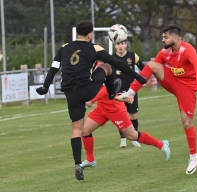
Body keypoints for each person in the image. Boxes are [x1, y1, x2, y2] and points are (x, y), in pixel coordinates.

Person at [35, 21, 146, 181]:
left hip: (69, 92)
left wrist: (45, 87)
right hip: (88, 90)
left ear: (77, 33)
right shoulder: (94, 48)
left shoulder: (64, 47)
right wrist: (138, 77)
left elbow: (54, 67)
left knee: (76, 130)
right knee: (107, 67)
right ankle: (110, 92)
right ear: (89, 34)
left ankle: (78, 164)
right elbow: (118, 63)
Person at [115, 24, 197, 175]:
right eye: (163, 37)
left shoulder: (187, 49)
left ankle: (193, 157)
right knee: (152, 65)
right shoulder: (165, 52)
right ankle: (131, 92)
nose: (163, 40)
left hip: (188, 88)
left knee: (186, 123)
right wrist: (135, 87)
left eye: (166, 37)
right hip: (173, 81)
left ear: (175, 38)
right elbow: (152, 67)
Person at [79, 82, 171, 173]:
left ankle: (161, 144)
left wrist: (92, 100)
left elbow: (107, 88)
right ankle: (90, 160)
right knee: (85, 131)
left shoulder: (101, 67)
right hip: (102, 107)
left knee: (132, 136)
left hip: (115, 108)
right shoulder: (87, 70)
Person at [112, 40, 145, 147]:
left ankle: (134, 137)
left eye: (122, 44)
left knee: (133, 115)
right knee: (121, 115)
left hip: (131, 92)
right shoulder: (111, 58)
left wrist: (139, 85)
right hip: (118, 94)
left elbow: (144, 69)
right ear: (115, 46)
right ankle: (123, 139)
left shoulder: (132, 56)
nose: (120, 46)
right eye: (118, 44)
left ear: (126, 45)